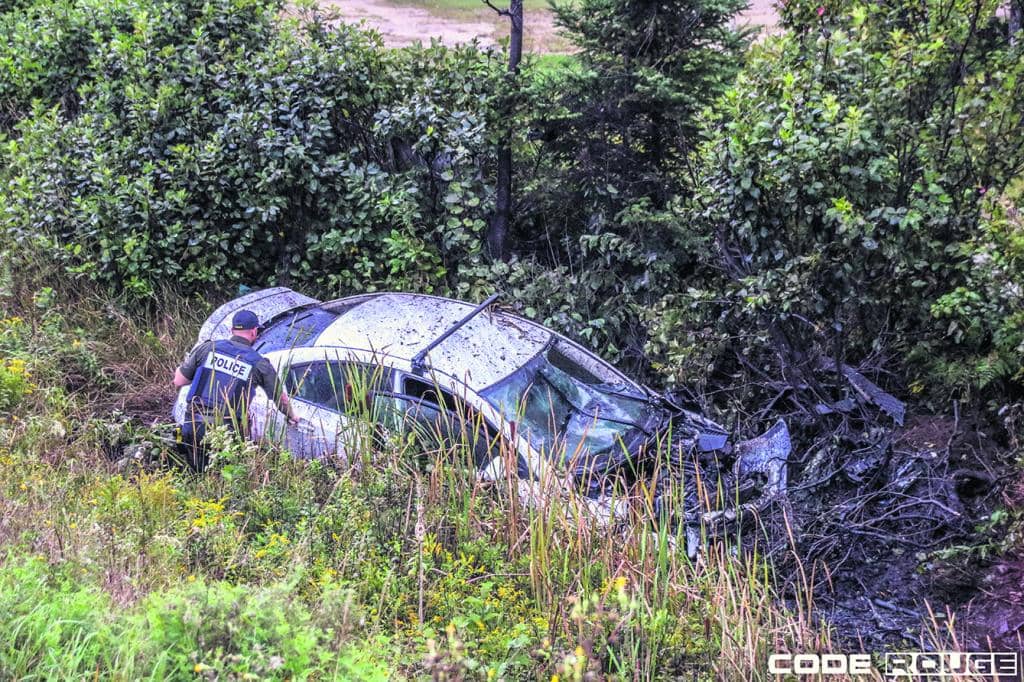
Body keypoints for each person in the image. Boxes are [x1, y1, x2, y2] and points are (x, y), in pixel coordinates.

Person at [172, 309, 299, 471]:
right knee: (221, 476)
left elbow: (179, 381)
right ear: (254, 332)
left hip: (192, 427)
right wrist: (292, 416)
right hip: (225, 435)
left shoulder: (207, 348)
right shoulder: (259, 363)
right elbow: (280, 398)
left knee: (192, 466)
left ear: (232, 330)